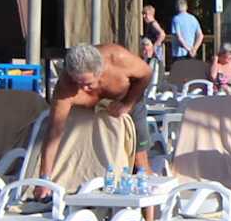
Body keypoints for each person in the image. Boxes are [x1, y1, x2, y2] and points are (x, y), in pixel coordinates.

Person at [41, 40, 155, 187]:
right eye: (78, 83)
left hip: (129, 100)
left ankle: (148, 196)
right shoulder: (65, 87)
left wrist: (127, 104)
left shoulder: (118, 59)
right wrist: (44, 178)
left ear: (100, 72)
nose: (82, 89)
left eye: (88, 84)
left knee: (141, 166)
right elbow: (54, 131)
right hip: (92, 117)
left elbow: (146, 74)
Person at [164, 0, 204, 67]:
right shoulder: (193, 18)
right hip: (192, 53)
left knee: (179, 73)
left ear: (176, 7)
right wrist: (194, 49)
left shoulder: (176, 19)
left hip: (179, 54)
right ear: (186, 7)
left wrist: (188, 49)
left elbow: (179, 37)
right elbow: (200, 35)